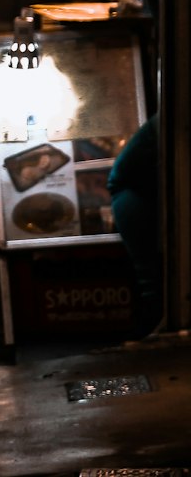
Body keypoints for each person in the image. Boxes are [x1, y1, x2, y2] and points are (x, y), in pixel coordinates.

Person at [107, 113, 163, 337]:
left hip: (146, 188)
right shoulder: (175, 115)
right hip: (134, 193)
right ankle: (155, 345)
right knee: (154, 282)